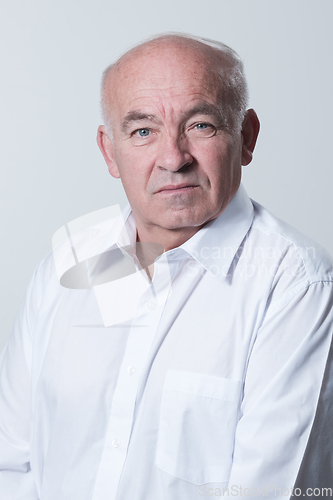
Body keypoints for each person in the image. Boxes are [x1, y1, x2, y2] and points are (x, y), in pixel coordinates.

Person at [0, 33, 332, 500]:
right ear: (109, 151)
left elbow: (271, 491)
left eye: (200, 125)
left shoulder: (297, 284)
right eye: (143, 131)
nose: (174, 158)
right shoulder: (67, 265)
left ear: (248, 136)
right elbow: (12, 466)